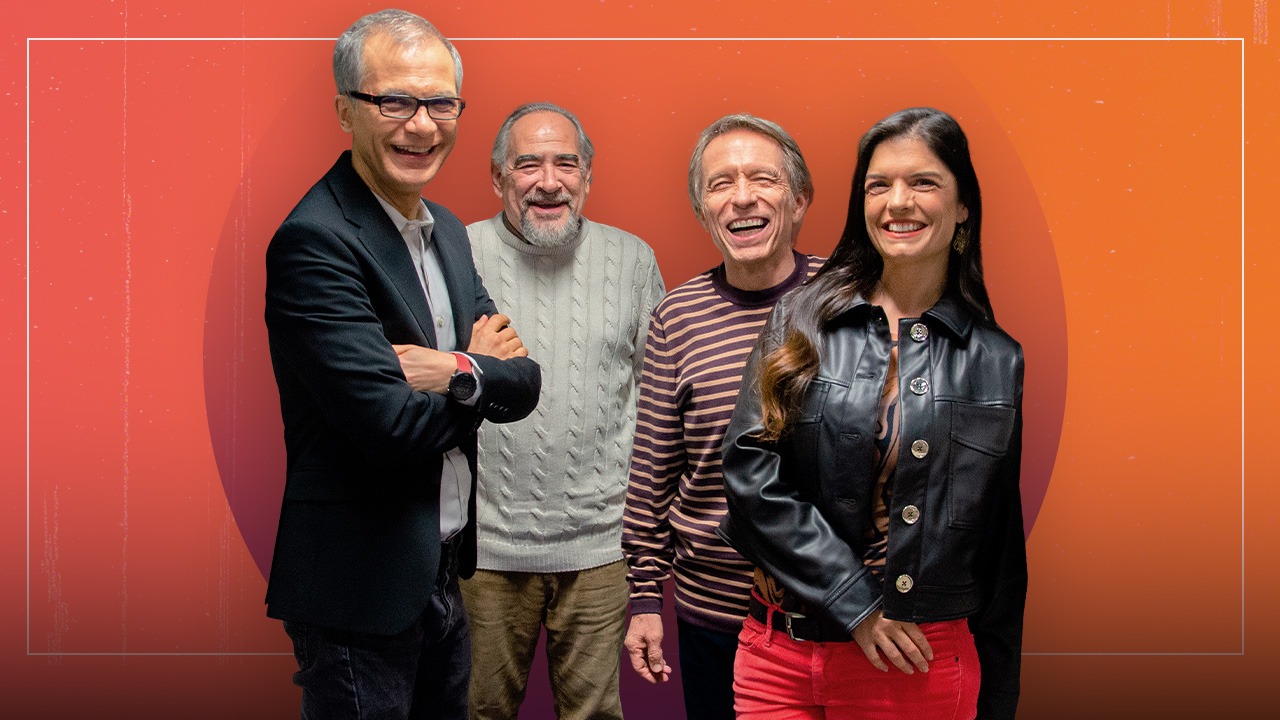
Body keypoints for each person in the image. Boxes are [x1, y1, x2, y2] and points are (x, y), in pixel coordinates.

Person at [262, 10, 541, 720]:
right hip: (361, 587)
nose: (422, 125)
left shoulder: (445, 228)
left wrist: (447, 367)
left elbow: (524, 382)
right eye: (394, 101)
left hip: (444, 571)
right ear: (345, 110)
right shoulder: (313, 242)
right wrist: (480, 369)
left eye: (440, 102)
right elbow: (386, 427)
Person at [718, 107, 1027, 720]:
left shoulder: (997, 360)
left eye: (924, 183)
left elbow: (997, 543)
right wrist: (856, 603)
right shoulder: (800, 318)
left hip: (918, 663)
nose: (898, 202)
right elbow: (749, 474)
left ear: (964, 205)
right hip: (779, 661)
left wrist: (998, 695)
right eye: (879, 185)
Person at [459, 102, 665, 720]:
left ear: (587, 177)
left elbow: (656, 402)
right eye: (528, 165)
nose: (549, 181)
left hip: (601, 550)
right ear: (498, 178)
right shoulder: (457, 252)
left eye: (565, 164)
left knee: (595, 716)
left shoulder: (632, 260)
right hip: (485, 552)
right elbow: (424, 383)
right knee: (478, 711)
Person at [621, 114, 824, 720]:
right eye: (719, 184)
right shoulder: (675, 317)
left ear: (799, 199)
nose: (741, 197)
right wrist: (644, 599)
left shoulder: (848, 301)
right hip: (713, 614)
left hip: (831, 607)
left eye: (762, 178)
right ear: (702, 209)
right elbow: (654, 466)